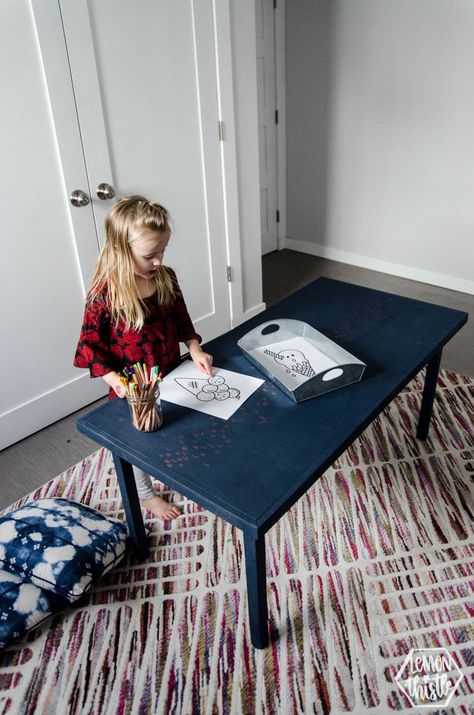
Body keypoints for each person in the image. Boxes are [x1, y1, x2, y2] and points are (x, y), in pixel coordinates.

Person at [74, 195, 213, 520]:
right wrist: (115, 381)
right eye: (150, 255)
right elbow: (89, 346)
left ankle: (172, 467)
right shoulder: (104, 294)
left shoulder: (165, 278)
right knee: (137, 441)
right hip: (133, 387)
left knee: (177, 424)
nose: (159, 261)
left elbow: (182, 319)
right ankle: (146, 495)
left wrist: (194, 348)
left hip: (170, 369)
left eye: (163, 250)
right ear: (121, 250)